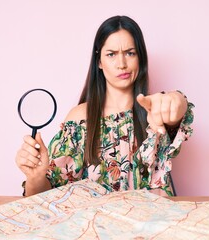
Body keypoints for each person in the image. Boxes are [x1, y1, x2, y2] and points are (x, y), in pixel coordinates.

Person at [15, 15, 194, 197]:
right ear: (99, 61)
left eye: (130, 53)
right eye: (111, 54)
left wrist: (178, 99)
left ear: (140, 58)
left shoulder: (155, 111)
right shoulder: (79, 119)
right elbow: (44, 198)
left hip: (157, 223)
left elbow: (175, 111)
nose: (122, 64)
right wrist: (35, 177)